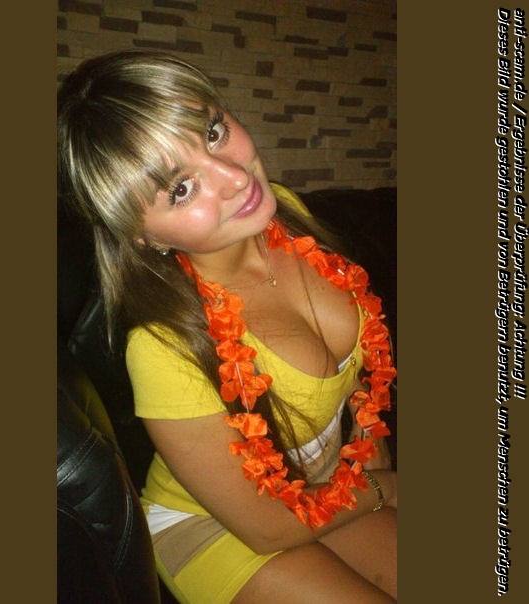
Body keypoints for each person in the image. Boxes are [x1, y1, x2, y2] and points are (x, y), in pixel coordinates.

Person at [58, 50, 397, 603]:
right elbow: (267, 529)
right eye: (180, 189)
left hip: (326, 486)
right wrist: (383, 488)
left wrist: (371, 464)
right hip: (219, 526)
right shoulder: (161, 346)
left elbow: (364, 391)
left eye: (213, 132)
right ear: (145, 237)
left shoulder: (284, 211)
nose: (236, 178)